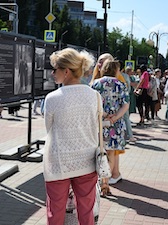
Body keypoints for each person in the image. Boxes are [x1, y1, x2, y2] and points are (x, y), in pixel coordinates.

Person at [43, 47, 98, 225]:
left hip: (59, 162)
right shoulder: (95, 96)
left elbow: (48, 128)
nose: (52, 73)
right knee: (86, 210)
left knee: (56, 211)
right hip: (87, 161)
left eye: (55, 69)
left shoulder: (52, 98)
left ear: (66, 71)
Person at [91, 60, 129, 188]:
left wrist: (105, 115)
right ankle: (106, 182)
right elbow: (125, 104)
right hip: (116, 125)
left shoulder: (96, 84)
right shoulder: (121, 84)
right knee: (112, 152)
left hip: (100, 122)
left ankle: (100, 180)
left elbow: (92, 103)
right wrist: (115, 117)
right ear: (116, 71)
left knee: (100, 151)